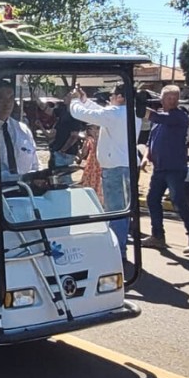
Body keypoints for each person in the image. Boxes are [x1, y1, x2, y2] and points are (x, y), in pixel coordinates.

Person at [68, 84, 132, 260]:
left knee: (115, 211)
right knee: (124, 210)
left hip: (115, 168)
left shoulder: (116, 113)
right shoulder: (127, 112)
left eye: (111, 95)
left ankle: (117, 252)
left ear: (119, 97)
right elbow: (99, 111)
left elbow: (83, 114)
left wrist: (74, 101)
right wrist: (84, 100)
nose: (110, 99)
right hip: (125, 167)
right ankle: (121, 248)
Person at [140, 85, 189, 253]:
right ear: (162, 99)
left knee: (178, 201)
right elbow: (150, 142)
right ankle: (158, 236)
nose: (173, 101)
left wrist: (138, 105)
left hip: (175, 168)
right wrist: (146, 157)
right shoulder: (158, 121)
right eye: (169, 98)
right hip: (160, 168)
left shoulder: (179, 116)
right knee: (152, 199)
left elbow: (155, 116)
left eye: (175, 98)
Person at [49, 102, 85, 184]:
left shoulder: (75, 116)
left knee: (64, 176)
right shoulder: (63, 111)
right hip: (58, 149)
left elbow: (74, 136)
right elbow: (48, 110)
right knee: (58, 176)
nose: (67, 95)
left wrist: (63, 150)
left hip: (66, 152)